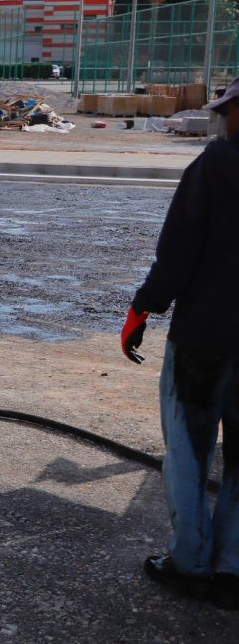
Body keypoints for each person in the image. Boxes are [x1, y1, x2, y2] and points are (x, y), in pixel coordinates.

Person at [121, 74, 239, 611]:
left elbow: (179, 252)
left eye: (228, 110)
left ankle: (190, 563)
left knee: (190, 452)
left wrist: (143, 306)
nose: (222, 119)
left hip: (207, 338)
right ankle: (233, 568)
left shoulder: (217, 165)